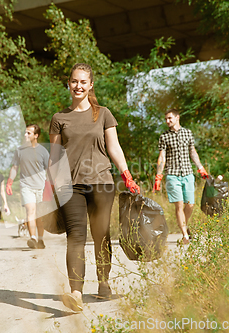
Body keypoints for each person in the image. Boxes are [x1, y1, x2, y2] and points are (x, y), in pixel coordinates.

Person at [49, 63, 140, 312]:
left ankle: (103, 282)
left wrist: (127, 174)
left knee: (101, 234)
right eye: (73, 81)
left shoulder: (103, 114)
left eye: (82, 82)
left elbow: (114, 147)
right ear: (68, 84)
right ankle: (76, 293)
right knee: (75, 236)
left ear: (90, 85)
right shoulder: (59, 119)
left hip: (101, 182)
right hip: (70, 186)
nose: (78, 86)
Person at [154, 108, 208, 245]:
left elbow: (192, 152)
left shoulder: (187, 133)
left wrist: (200, 167)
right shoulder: (164, 136)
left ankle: (184, 224)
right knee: (179, 205)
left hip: (188, 173)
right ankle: (185, 235)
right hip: (172, 175)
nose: (167, 121)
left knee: (190, 205)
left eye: (170, 118)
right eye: (166, 119)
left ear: (177, 117)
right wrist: (158, 176)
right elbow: (162, 157)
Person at [6, 124, 49, 249]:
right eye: (25, 133)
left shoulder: (43, 151)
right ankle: (33, 238)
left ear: (36, 135)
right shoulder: (20, 151)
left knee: (40, 216)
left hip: (41, 187)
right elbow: (14, 167)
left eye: (28, 133)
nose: (25, 135)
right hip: (26, 186)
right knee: (30, 211)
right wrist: (10, 181)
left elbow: (49, 169)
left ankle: (40, 239)